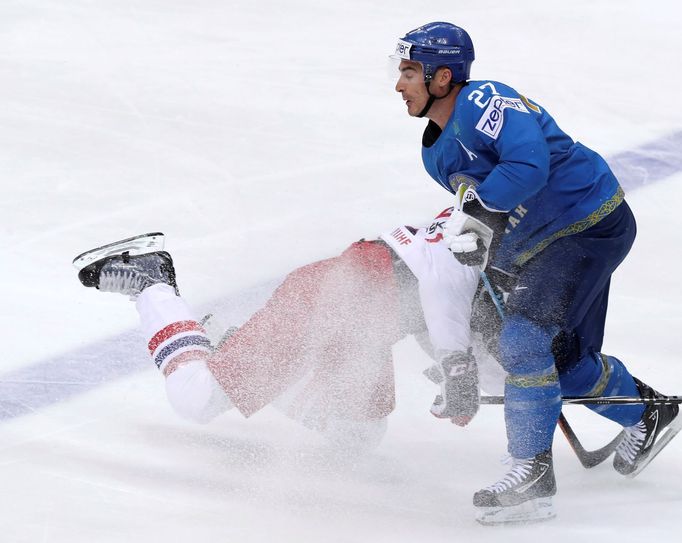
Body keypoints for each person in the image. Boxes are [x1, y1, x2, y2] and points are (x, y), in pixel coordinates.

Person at [392, 21, 681, 525]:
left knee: (525, 342)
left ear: (443, 76)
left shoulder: (487, 100)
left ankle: (531, 475)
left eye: (410, 71)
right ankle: (647, 413)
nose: (400, 85)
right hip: (538, 245)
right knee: (556, 359)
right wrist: (485, 252)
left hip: (586, 223)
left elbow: (528, 166)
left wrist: (480, 222)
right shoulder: (433, 151)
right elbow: (487, 209)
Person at [74, 209, 505, 452]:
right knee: (195, 397)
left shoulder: (482, 226)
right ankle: (153, 284)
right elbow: (443, 307)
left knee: (358, 435)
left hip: (363, 330)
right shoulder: (472, 251)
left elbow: (437, 324)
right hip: (321, 300)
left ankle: (228, 342)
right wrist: (464, 372)